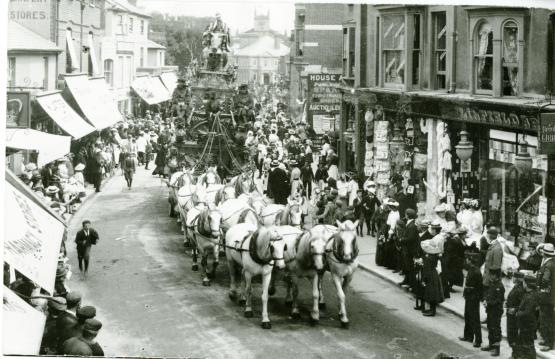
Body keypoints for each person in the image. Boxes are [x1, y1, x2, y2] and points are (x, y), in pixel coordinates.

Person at [460, 252, 483, 348]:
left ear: (471, 260)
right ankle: (468, 336)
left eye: (468, 259)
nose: (466, 261)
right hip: (469, 296)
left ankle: (478, 340)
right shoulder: (472, 269)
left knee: (474, 318)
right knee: (468, 316)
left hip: (474, 297)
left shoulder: (476, 271)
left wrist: (470, 291)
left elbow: (478, 287)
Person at [481, 269, 504, 356]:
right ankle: (491, 345)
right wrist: (486, 300)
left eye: (492, 275)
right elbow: (489, 294)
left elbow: (499, 300)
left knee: (496, 329)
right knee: (490, 327)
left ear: (496, 276)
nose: (490, 276)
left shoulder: (500, 286)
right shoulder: (493, 284)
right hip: (490, 310)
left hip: (496, 311)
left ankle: (496, 349)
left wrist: (489, 303)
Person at [536, 243, 555, 352]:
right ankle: (548, 340)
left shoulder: (548, 265)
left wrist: (540, 287)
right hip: (550, 296)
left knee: (546, 319)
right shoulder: (551, 263)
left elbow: (546, 279)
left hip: (546, 297)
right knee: (547, 318)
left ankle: (548, 342)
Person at [517, 273, 540, 358]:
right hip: (526, 324)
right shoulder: (530, 293)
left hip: (527, 324)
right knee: (525, 344)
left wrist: (517, 313)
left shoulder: (530, 297)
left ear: (527, 284)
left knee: (528, 345)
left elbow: (527, 313)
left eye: (524, 282)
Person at [420, 236, 444, 317]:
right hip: (434, 274)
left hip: (430, 275)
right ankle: (432, 310)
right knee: (433, 293)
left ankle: (432, 311)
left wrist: (424, 279)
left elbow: (427, 270)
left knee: (431, 293)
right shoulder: (435, 256)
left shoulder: (429, 258)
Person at [505, 271, 526, 357]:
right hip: (510, 314)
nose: (512, 278)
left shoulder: (520, 290)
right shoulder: (516, 287)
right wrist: (507, 303)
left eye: (514, 277)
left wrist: (515, 309)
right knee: (511, 335)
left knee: (513, 335)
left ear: (516, 279)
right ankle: (515, 354)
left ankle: (516, 354)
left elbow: (523, 304)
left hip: (514, 316)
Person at [400, 208, 419, 289]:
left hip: (409, 249)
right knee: (406, 265)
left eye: (406, 214)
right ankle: (406, 280)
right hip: (407, 249)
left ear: (408, 215)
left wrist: (402, 239)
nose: (405, 215)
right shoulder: (410, 223)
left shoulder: (412, 226)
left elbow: (411, 238)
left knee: (410, 266)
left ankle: (412, 283)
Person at [482, 226, 503, 293]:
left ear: (490, 236)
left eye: (487, 235)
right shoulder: (493, 245)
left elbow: (496, 265)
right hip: (488, 275)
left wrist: (492, 279)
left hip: (491, 278)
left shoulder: (497, 248)